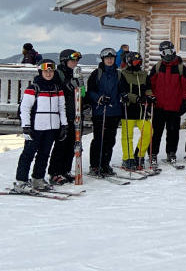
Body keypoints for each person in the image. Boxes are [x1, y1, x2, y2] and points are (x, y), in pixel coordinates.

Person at [13, 59, 68, 192]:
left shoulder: (57, 88)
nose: (48, 73)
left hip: (51, 127)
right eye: (45, 71)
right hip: (36, 127)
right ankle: (21, 181)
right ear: (40, 71)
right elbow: (25, 108)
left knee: (44, 154)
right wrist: (26, 126)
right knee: (28, 154)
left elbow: (62, 108)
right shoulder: (33, 88)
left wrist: (64, 125)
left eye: (51, 71)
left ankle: (38, 178)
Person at [148, 40, 186, 168]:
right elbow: (150, 85)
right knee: (156, 132)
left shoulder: (181, 68)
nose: (168, 54)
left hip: (174, 106)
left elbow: (185, 88)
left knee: (173, 132)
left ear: (174, 51)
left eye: (170, 51)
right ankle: (153, 154)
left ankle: (171, 153)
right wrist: (150, 100)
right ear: (161, 53)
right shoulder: (157, 67)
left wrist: (184, 102)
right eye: (165, 52)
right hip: (159, 106)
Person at [87, 48, 125, 176]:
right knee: (99, 139)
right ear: (103, 59)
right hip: (100, 111)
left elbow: (122, 90)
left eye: (112, 58)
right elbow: (90, 91)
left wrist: (124, 95)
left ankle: (105, 164)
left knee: (110, 140)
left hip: (114, 111)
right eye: (107, 58)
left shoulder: (119, 74)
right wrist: (99, 98)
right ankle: (95, 165)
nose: (109, 60)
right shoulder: (96, 74)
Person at [47, 49, 81, 185]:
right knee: (61, 143)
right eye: (72, 60)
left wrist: (84, 100)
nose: (75, 63)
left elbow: (81, 91)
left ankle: (65, 170)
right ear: (64, 60)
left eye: (76, 61)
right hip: (63, 114)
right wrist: (66, 86)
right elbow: (54, 89)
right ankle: (55, 172)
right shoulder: (57, 73)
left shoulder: (76, 74)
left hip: (75, 113)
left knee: (73, 143)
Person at [119, 52, 154, 170]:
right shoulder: (123, 74)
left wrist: (149, 96)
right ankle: (127, 158)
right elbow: (122, 91)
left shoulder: (144, 74)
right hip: (128, 108)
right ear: (129, 62)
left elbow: (148, 88)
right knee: (127, 136)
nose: (137, 64)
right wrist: (136, 98)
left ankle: (139, 155)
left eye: (139, 62)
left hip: (141, 110)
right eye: (135, 62)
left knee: (148, 132)